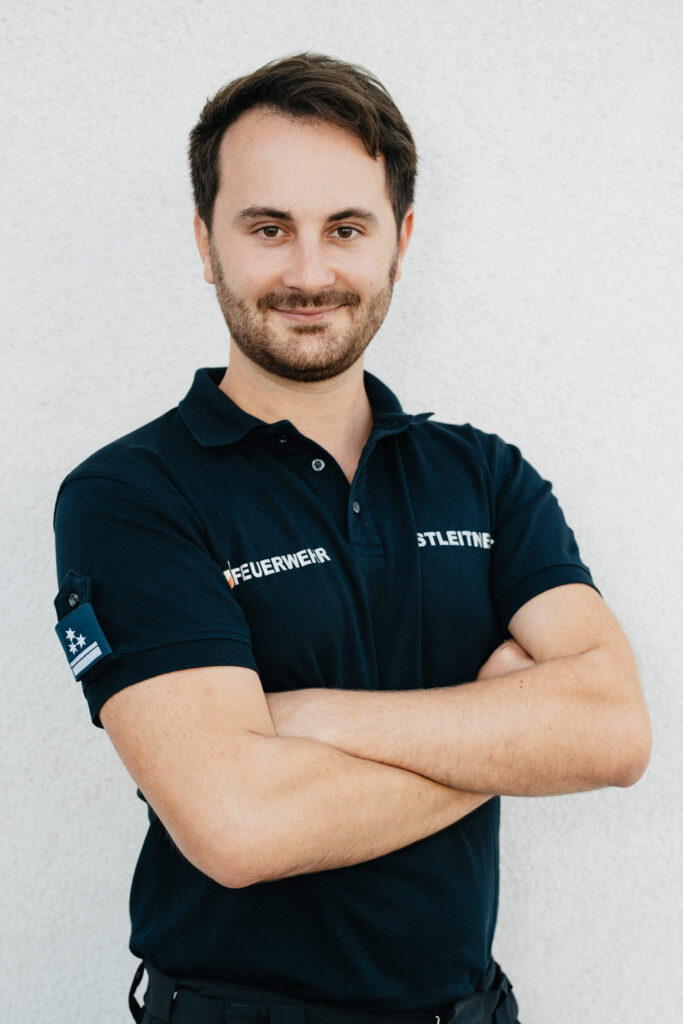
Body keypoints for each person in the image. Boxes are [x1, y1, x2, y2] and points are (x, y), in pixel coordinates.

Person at [52, 52, 651, 1024]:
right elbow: (239, 825)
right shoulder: (131, 495)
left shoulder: (482, 475)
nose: (308, 271)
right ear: (205, 241)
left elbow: (613, 732)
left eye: (345, 228)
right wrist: (509, 733)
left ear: (399, 241)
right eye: (267, 228)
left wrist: (310, 719)